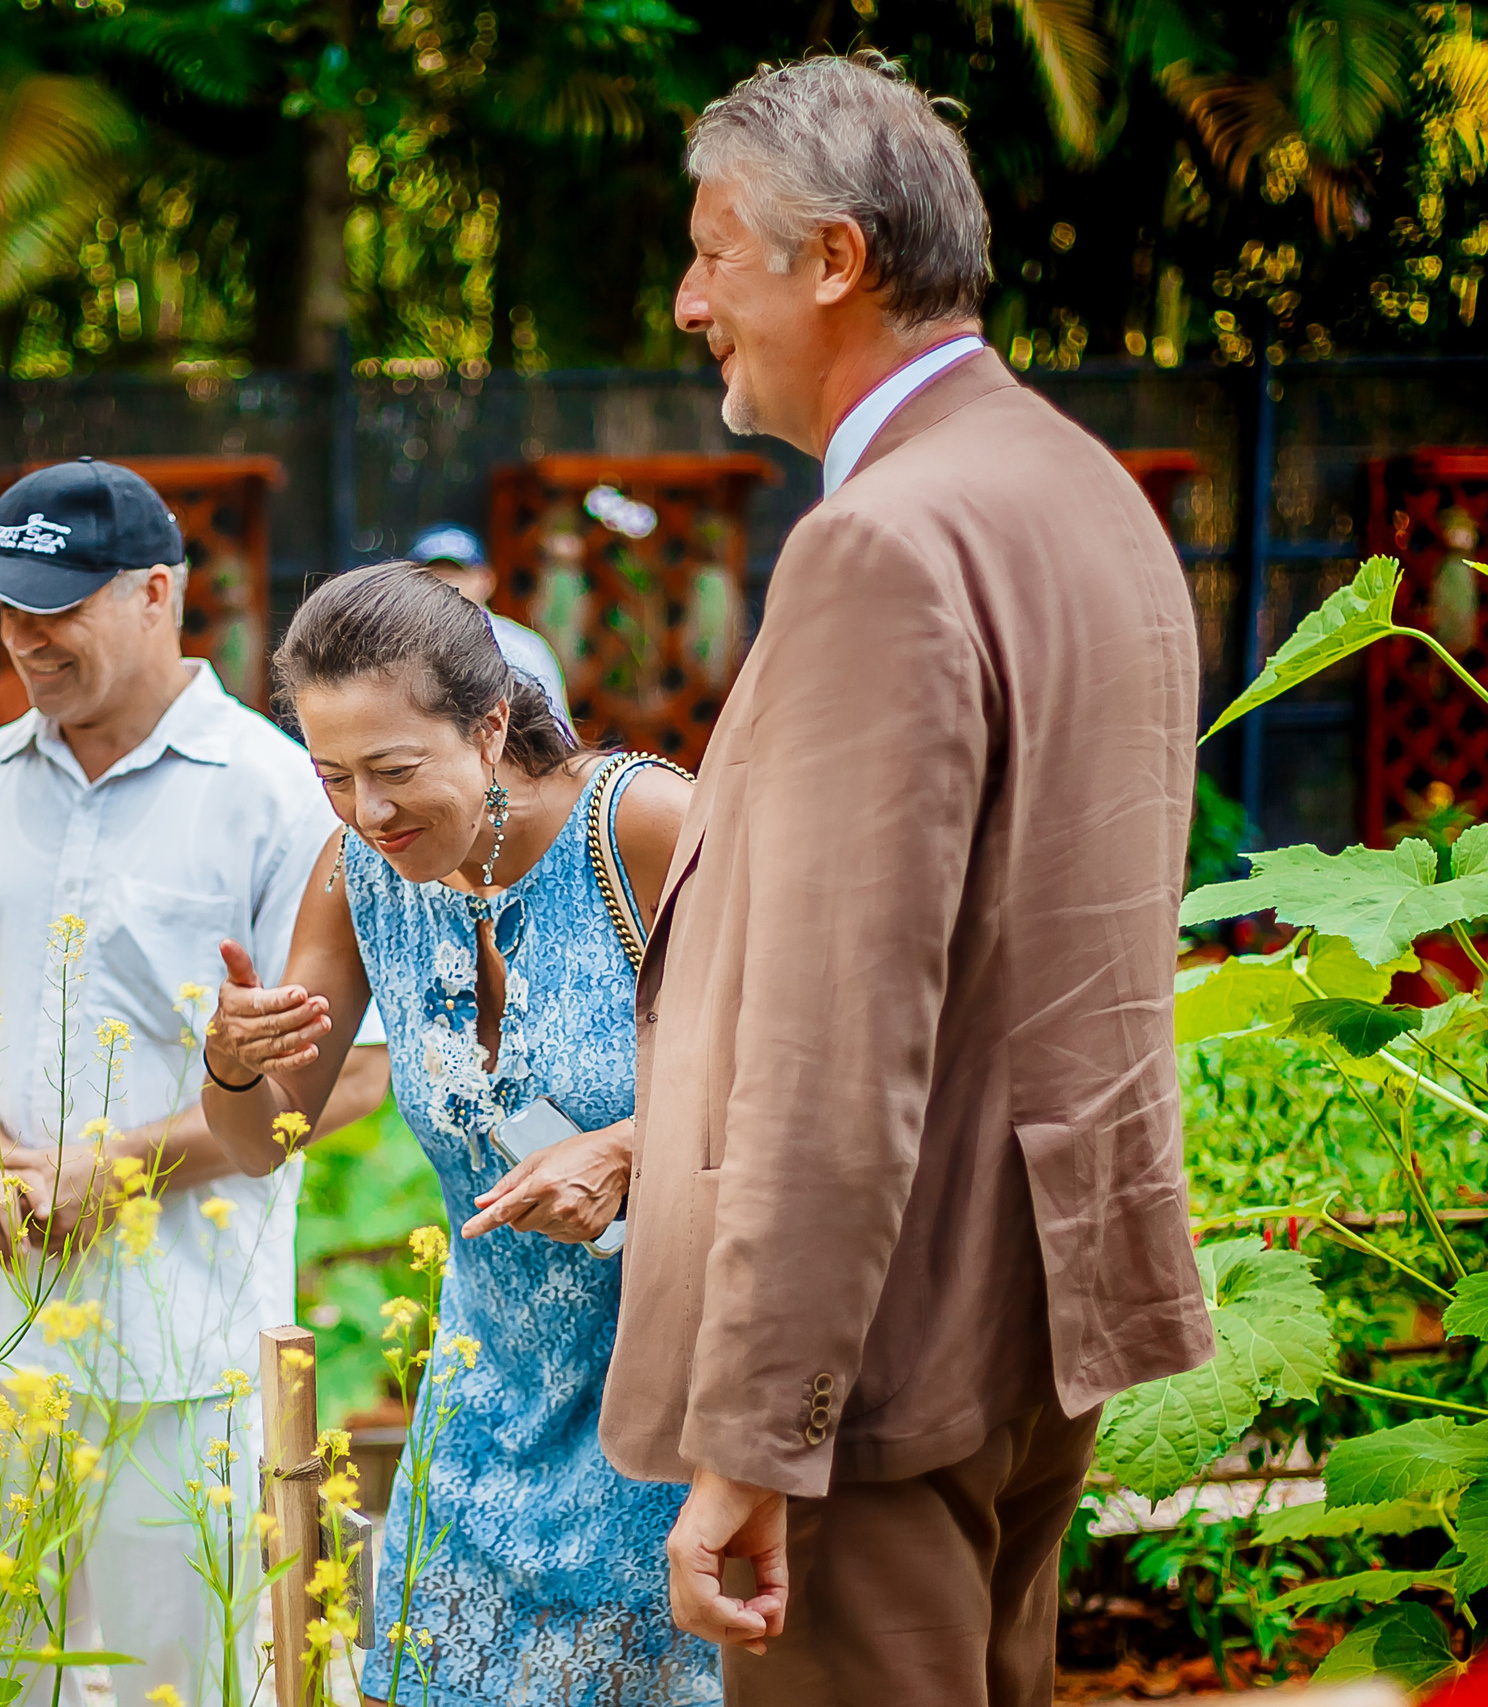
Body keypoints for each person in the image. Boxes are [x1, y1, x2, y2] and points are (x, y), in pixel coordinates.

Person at [599, 53, 1213, 1707]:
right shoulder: (1083, 489)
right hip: (1034, 1311)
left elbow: (836, 1033)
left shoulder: (880, 539)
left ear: (834, 260)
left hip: (875, 1361)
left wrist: (756, 1438)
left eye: (716, 251)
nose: (688, 298)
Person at [0, 458, 391, 1707]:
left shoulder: (277, 799)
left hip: (183, 1349)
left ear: (156, 593)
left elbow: (347, 1075)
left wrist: (122, 1166)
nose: (27, 637)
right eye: (7, 605)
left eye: (60, 604)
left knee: (171, 1690)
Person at [203, 563, 718, 1707]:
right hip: (484, 1412)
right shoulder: (358, 877)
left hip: (673, 1414)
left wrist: (632, 1144)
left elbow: (815, 1074)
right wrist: (231, 1061)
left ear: (489, 728)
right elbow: (256, 1140)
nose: (366, 812)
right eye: (331, 777)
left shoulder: (646, 829)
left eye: (393, 770)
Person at [411, 522, 573, 719]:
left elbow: (557, 736)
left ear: (486, 580)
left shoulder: (521, 649)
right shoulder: (396, 646)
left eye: (457, 572)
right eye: (432, 573)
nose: (444, 582)